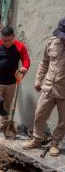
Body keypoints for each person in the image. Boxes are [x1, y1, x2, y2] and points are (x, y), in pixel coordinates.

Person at [23, 17, 65, 157]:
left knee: (63, 120)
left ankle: (55, 143)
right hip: (48, 87)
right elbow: (44, 63)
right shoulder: (52, 42)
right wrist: (38, 80)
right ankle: (37, 139)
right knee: (39, 115)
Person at [0, 26, 31, 133]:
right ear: (0, 38)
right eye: (4, 40)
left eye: (9, 40)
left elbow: (26, 60)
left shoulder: (20, 47)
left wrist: (25, 68)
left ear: (14, 37)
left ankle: (4, 124)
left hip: (11, 83)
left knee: (6, 105)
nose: (7, 43)